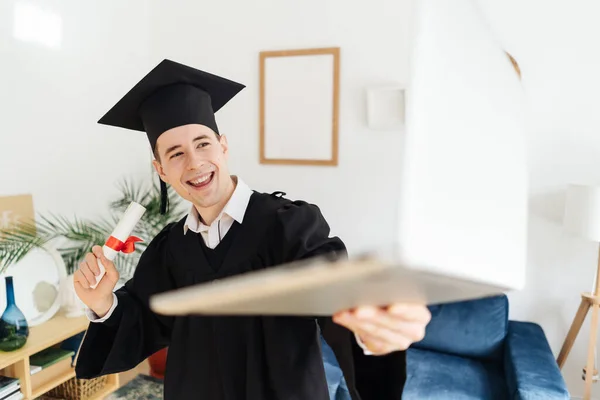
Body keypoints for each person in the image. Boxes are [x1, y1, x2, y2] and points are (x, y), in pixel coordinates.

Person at [73, 59, 431, 400]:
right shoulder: (170, 248)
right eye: (176, 153)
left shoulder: (289, 225)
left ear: (223, 146)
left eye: (203, 144)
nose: (195, 162)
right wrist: (103, 303)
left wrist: (371, 332)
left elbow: (335, 295)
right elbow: (142, 321)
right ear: (161, 169)